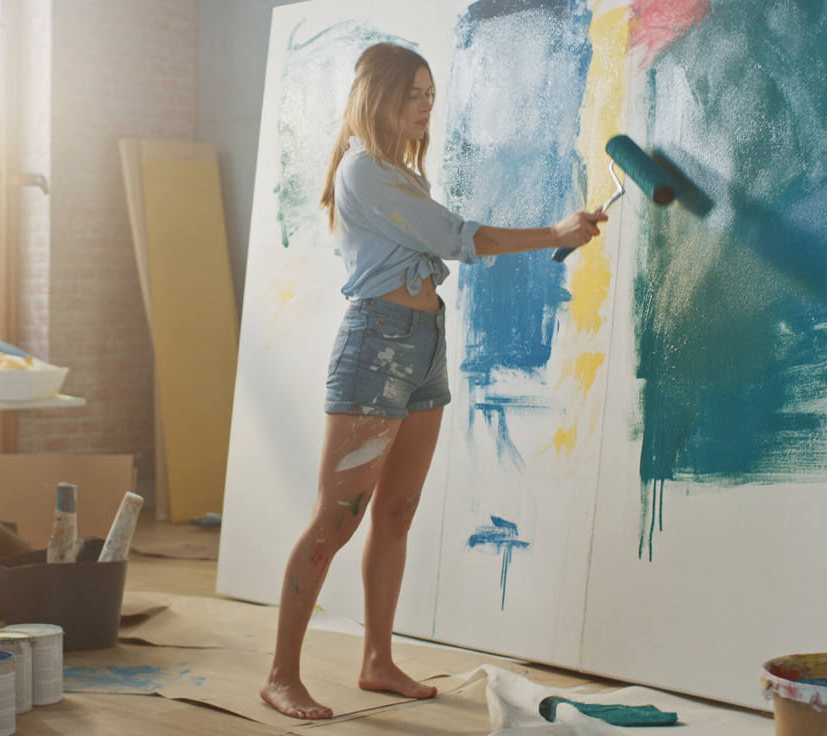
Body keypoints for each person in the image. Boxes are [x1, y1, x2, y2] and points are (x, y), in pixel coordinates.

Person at [260, 42, 607, 720]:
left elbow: (447, 240)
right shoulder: (365, 171)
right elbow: (457, 237)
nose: (426, 106)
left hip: (424, 343)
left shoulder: (396, 172)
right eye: (412, 94)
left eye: (429, 94)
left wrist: (557, 236)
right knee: (336, 518)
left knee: (396, 513)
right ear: (377, 98)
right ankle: (280, 674)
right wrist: (554, 231)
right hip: (378, 346)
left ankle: (376, 660)